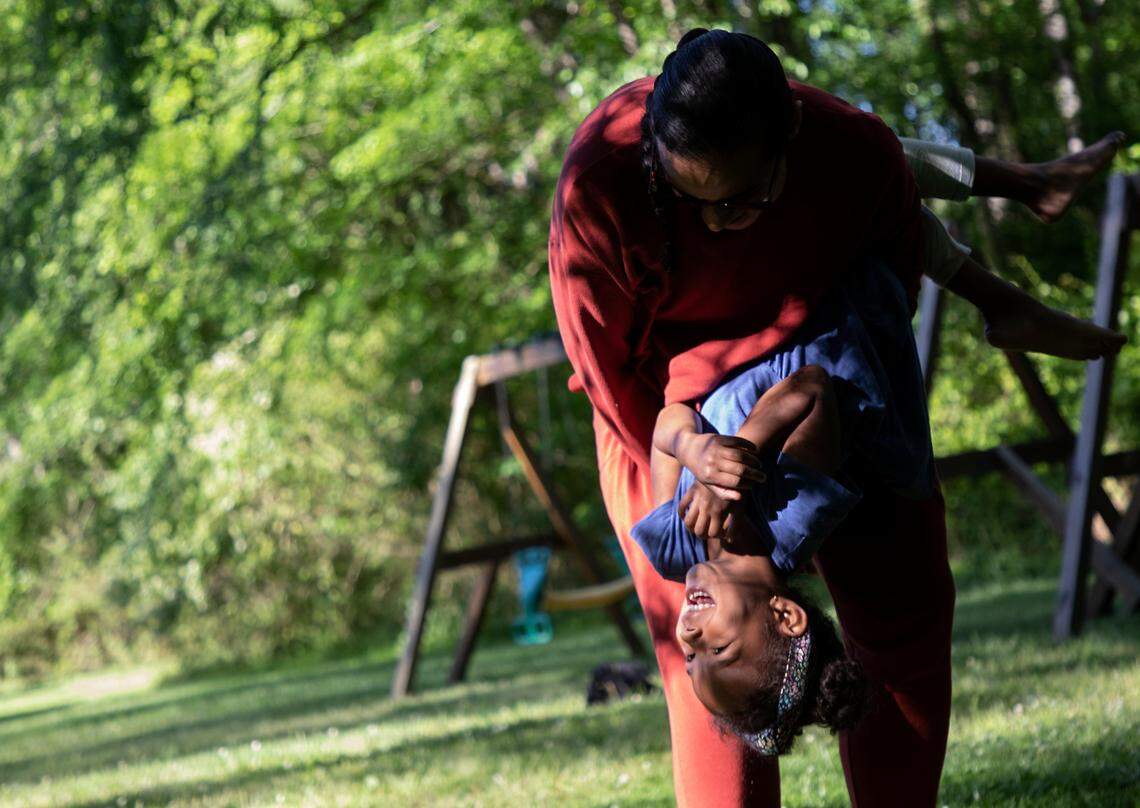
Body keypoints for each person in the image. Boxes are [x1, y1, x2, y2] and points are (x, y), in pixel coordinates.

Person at [547, 27, 1126, 807]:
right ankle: (1012, 269)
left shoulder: (845, 149)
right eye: (692, 203)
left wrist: (705, 453)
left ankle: (1007, 287)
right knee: (710, 687)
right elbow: (621, 391)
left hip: (811, 340)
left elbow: (882, 285)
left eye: (743, 200)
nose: (716, 222)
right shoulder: (604, 184)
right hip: (665, 389)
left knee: (903, 612)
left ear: (788, 133)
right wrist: (715, 446)